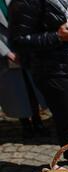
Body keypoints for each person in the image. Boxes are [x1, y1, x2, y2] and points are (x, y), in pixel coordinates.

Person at [9, 0, 68, 169]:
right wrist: (57, 37)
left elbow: (65, 21)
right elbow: (19, 40)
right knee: (67, 120)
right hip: (52, 70)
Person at [0, 0, 49, 140]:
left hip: (26, 48)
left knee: (33, 87)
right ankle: (25, 124)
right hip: (6, 55)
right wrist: (7, 53)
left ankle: (37, 120)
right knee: (17, 92)